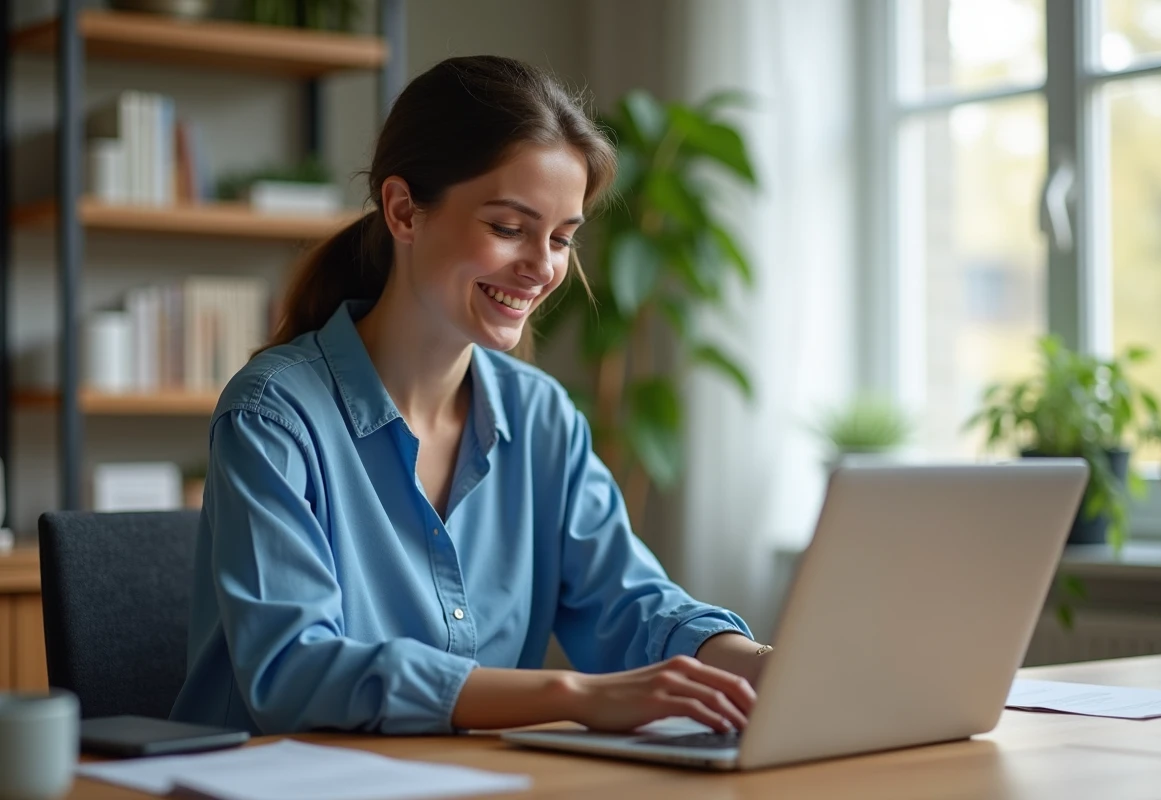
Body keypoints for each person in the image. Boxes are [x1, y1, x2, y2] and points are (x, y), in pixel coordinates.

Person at [170, 55, 771, 737]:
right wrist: (573, 695)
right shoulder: (273, 416)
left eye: (562, 239)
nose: (543, 267)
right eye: (508, 228)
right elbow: (295, 671)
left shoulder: (541, 417)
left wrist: (759, 666)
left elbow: (631, 605)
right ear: (403, 210)